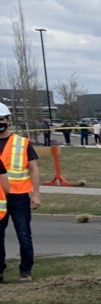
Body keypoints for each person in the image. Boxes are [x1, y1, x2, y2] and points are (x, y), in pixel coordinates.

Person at [0, 103, 41, 283]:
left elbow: (33, 169)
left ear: (8, 120)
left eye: (1, 119)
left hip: (19, 196)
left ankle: (26, 270)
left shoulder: (22, 143)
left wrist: (36, 194)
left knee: (23, 234)